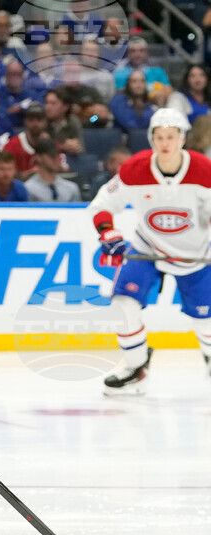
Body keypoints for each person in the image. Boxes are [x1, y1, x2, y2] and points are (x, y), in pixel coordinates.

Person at [87, 109, 211, 394]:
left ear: (182, 138)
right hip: (147, 248)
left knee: (206, 321)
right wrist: (108, 232)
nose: (164, 143)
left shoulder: (204, 169)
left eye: (170, 136)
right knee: (123, 303)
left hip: (194, 254)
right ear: (151, 138)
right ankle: (136, 367)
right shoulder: (134, 168)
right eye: (158, 137)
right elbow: (102, 204)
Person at [1, 102, 49, 179]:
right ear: (26, 121)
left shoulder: (52, 144)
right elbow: (2, 172)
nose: (35, 123)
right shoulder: (13, 145)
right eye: (31, 119)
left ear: (45, 122)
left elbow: (64, 170)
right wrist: (29, 174)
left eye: (39, 119)